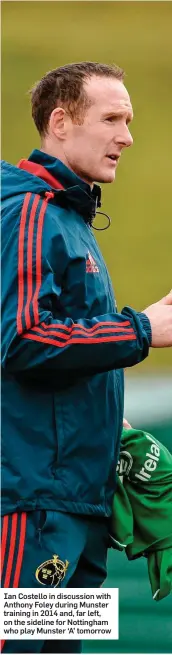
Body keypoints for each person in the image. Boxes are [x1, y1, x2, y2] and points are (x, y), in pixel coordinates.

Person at [1, 61, 172, 655]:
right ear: (60, 122)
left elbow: (65, 352)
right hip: (32, 506)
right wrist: (143, 328)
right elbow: (22, 340)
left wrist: (115, 428)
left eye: (129, 120)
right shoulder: (27, 211)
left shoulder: (70, 218)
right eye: (112, 118)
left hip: (78, 503)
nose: (127, 136)